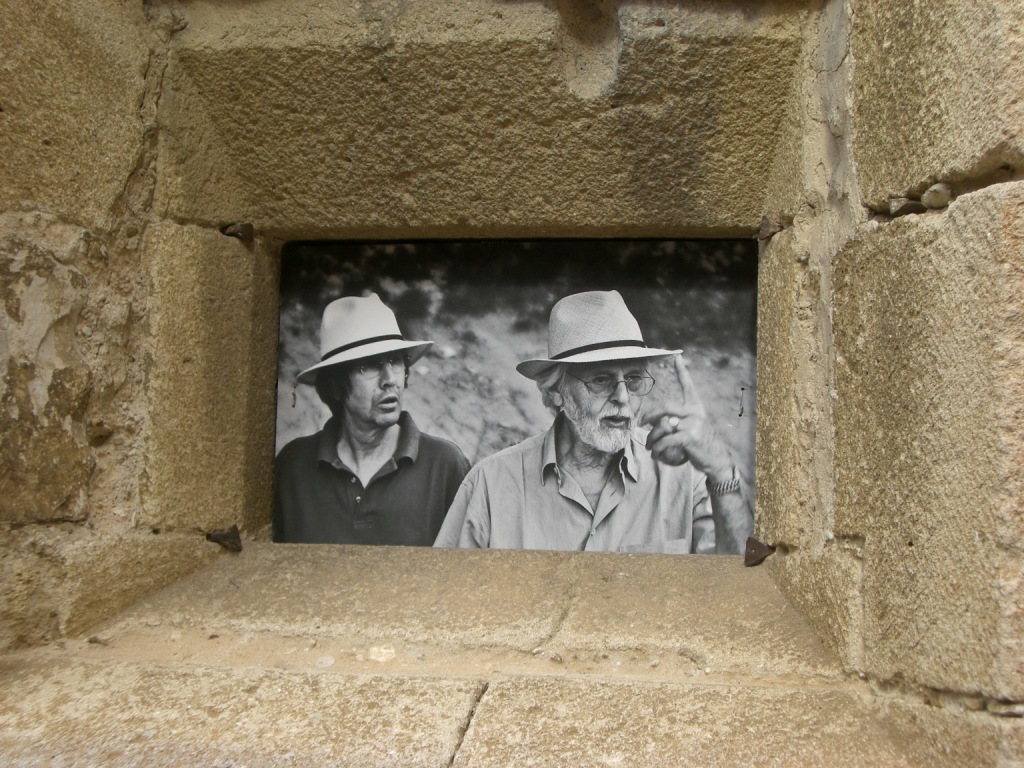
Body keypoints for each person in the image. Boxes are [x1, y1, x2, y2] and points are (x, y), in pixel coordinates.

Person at [434, 290, 752, 554]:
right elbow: (448, 598)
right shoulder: (491, 484)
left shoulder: (685, 479)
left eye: (634, 378)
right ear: (556, 391)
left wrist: (722, 472)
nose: (622, 397)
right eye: (600, 380)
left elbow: (742, 587)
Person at [274, 293, 470, 545]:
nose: (390, 380)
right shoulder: (292, 466)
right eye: (369, 365)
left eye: (395, 361)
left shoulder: (445, 464)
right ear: (335, 385)